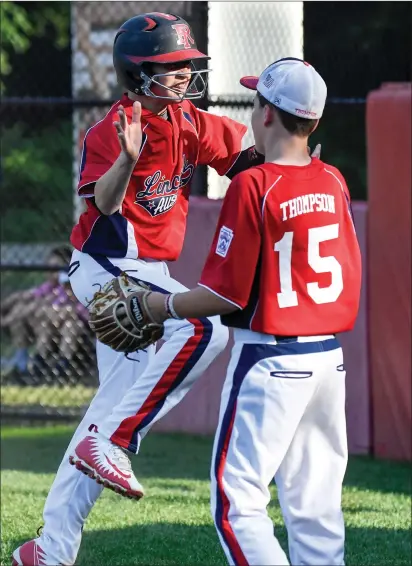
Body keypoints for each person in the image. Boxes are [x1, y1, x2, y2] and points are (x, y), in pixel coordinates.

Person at [71, 58, 362, 565]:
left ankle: (117, 438)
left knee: (239, 506)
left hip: (271, 360)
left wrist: (157, 305)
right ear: (313, 123)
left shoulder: (254, 186)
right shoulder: (333, 179)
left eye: (256, 101)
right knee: (315, 509)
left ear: (266, 115)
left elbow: (224, 296)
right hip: (330, 362)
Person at [12, 12, 267, 566]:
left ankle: (50, 548)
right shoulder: (111, 130)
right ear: (138, 72)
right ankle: (117, 441)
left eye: (186, 65)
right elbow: (101, 205)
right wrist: (127, 159)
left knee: (106, 410)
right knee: (204, 328)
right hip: (107, 265)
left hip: (146, 269)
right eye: (171, 66)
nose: (183, 73)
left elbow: (246, 161)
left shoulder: (185, 119)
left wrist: (290, 171)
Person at [1, 245, 76, 382]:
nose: (49, 272)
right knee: (22, 308)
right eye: (47, 267)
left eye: (54, 268)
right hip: (42, 324)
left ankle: (46, 368)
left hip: (61, 327)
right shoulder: (48, 286)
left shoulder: (69, 286)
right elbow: (24, 295)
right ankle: (21, 365)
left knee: (36, 308)